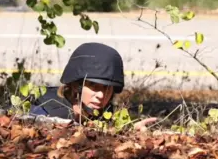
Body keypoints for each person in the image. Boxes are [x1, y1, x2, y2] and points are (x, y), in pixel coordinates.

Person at [29, 42, 157, 131]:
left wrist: (129, 131)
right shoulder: (44, 109)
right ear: (75, 85)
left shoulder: (105, 113)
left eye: (107, 88)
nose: (101, 95)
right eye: (93, 86)